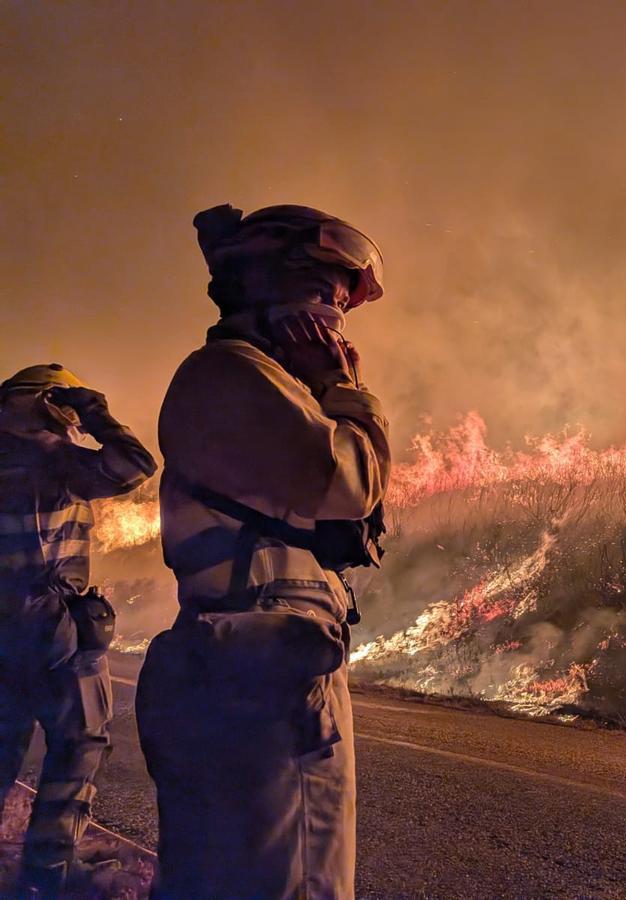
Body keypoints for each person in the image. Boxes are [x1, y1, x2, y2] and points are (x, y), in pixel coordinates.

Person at [136, 203, 390, 898]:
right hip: (265, 679)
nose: (339, 321)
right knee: (294, 880)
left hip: (249, 663)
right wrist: (346, 392)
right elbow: (351, 486)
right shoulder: (233, 373)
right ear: (289, 289)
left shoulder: (244, 381)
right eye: (331, 296)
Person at [0, 364, 157, 895]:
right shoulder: (55, 459)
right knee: (79, 741)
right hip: (51, 630)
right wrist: (96, 411)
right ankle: (48, 871)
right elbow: (135, 464)